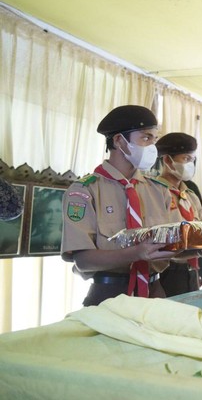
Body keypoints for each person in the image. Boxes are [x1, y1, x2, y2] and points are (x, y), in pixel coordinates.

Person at [61, 105, 190, 306]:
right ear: (119, 141)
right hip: (108, 297)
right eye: (146, 138)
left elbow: (177, 241)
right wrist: (135, 253)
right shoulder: (85, 191)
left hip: (155, 294)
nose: (152, 147)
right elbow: (83, 260)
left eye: (154, 140)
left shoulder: (159, 191)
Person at [155, 132, 202, 296]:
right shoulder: (154, 192)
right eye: (185, 159)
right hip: (166, 270)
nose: (190, 164)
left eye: (192, 160)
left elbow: (200, 231)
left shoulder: (191, 195)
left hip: (191, 268)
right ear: (167, 160)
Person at [29, 189, 63, 253]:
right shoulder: (32, 241)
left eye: (58, 211)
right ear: (41, 215)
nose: (53, 217)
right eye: (48, 211)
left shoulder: (69, 242)